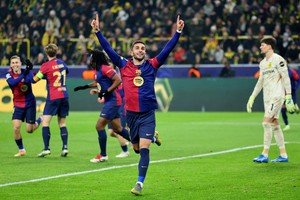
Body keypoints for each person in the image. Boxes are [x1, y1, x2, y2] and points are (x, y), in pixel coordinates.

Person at [90, 13, 183, 195]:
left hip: (147, 114)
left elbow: (167, 50)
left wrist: (178, 32)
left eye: (143, 48)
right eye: (137, 48)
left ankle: (139, 183)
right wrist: (98, 32)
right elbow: (108, 49)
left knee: (145, 149)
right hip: (131, 114)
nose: (141, 50)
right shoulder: (123, 65)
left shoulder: (153, 64)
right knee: (137, 149)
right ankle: (153, 137)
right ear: (132, 52)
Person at [73, 49, 131, 162]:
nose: (90, 59)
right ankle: (138, 141)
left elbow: (118, 80)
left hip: (113, 100)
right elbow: (97, 82)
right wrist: (85, 87)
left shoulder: (106, 68)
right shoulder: (97, 70)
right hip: (110, 100)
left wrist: (106, 91)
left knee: (99, 126)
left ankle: (103, 155)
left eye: (91, 57)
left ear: (96, 58)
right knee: (118, 129)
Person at [246, 36, 295, 163]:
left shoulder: (278, 60)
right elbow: (260, 82)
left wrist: (288, 96)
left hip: (277, 96)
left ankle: (264, 154)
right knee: (275, 125)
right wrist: (252, 97)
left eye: (262, 45)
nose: (260, 47)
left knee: (266, 123)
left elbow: (285, 78)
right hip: (267, 98)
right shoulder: (262, 63)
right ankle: (283, 155)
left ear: (269, 46)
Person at [31, 43, 70, 157]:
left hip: (53, 96)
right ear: (56, 52)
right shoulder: (62, 63)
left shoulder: (45, 66)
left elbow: (34, 80)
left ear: (46, 53)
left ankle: (46, 148)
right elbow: (65, 72)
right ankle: (65, 147)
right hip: (64, 95)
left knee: (45, 122)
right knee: (62, 123)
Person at [6, 55, 42, 157]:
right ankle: (22, 150)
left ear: (20, 63)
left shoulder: (27, 72)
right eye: (13, 63)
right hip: (17, 104)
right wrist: (24, 74)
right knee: (16, 128)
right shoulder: (9, 74)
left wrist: (30, 70)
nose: (15, 65)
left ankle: (40, 119)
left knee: (29, 130)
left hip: (30, 103)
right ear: (10, 65)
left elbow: (32, 80)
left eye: (17, 62)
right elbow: (13, 83)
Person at [281, 65, 300, 131]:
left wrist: (295, 87)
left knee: (291, 111)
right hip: (283, 93)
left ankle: (295, 106)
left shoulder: (292, 72)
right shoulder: (279, 72)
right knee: (283, 109)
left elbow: (298, 79)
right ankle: (287, 125)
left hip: (291, 93)